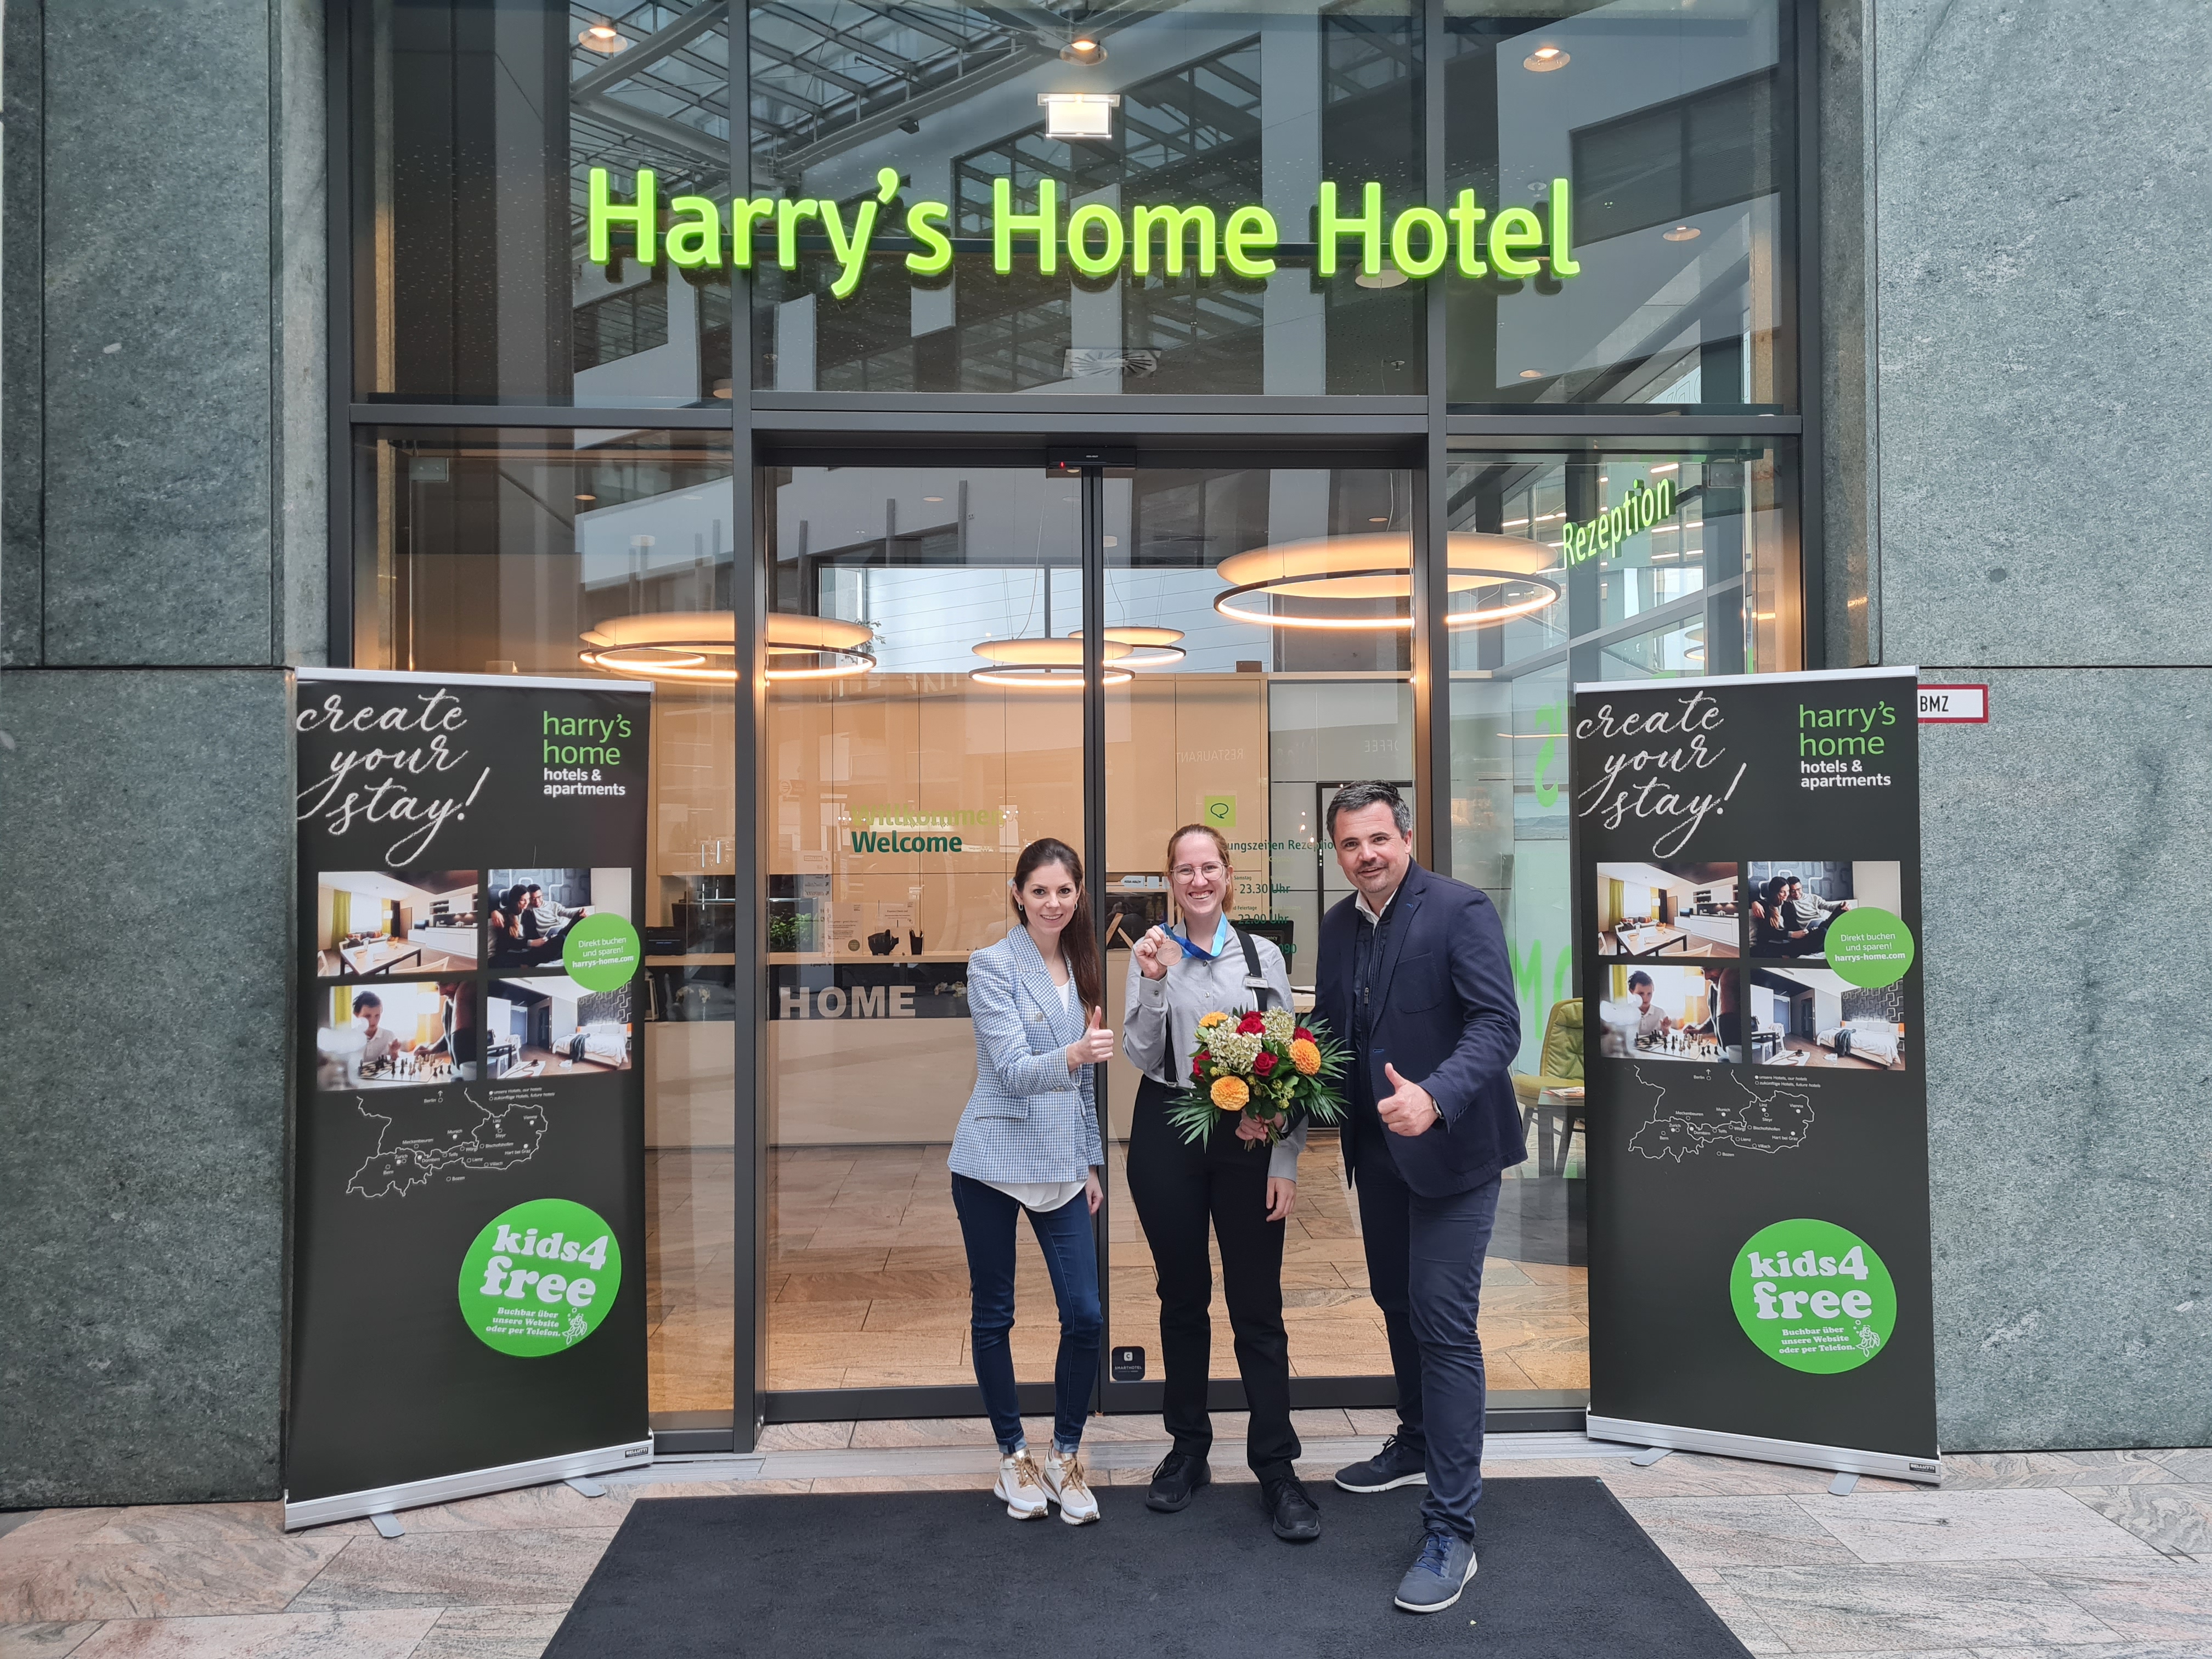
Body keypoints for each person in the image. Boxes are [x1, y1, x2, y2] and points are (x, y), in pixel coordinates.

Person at [1314, 782, 1521, 1615]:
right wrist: (1277, 1096)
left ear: (1406, 836)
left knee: (1443, 1324)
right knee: (1395, 1300)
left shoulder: (1459, 910)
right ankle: (1415, 1441)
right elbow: (1332, 1037)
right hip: (1377, 1155)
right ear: (1337, 852)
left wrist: (1435, 1095)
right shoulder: (1338, 925)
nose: (1366, 855)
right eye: (1350, 844)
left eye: (1378, 839)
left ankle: (1452, 1532)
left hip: (1455, 1153)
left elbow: (1498, 1026)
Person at [1122, 824, 1321, 1542]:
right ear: (1170, 881)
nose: (1199, 880)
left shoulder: (1261, 955)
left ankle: (1276, 1466)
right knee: (1182, 1296)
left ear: (1228, 875)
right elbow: (1141, 1053)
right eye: (1185, 870)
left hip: (1248, 1132)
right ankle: (1188, 1449)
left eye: (1210, 867)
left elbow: (1293, 1060)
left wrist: (1285, 1159)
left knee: (1257, 1304)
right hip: (1169, 1125)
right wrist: (1152, 981)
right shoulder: (1151, 952)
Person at [947, 837, 1110, 1527]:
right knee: (996, 1314)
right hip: (992, 1163)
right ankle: (1012, 1455)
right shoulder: (992, 963)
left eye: (1064, 891)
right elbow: (1012, 1069)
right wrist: (1074, 1053)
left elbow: (1086, 1083)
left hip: (1063, 1165)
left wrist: (1091, 1160)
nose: (1053, 903)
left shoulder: (1082, 962)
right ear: (1017, 894)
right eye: (1039, 891)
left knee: (1086, 1315)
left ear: (1079, 895)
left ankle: (1064, 1455)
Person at [353, 991, 410, 1068]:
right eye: (367, 1016)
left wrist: (394, 1053)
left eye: (377, 1016)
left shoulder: (388, 1036)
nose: (373, 1021)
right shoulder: (350, 1038)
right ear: (356, 1014)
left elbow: (395, 1063)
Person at [1625, 969, 1672, 1042]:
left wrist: (1666, 1029)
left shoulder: (1660, 1013)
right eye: (1641, 994)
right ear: (1632, 991)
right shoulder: (1625, 1013)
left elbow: (1667, 1037)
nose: (1646, 999)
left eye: (1649, 994)